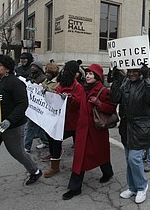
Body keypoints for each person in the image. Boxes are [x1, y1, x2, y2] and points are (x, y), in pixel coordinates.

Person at [0, 55, 42, 202]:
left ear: (7, 68)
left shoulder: (14, 83)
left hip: (12, 126)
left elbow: (22, 104)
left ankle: (35, 171)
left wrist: (9, 120)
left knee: (18, 153)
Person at [62, 64, 116, 200]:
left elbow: (111, 109)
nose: (87, 76)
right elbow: (78, 106)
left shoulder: (103, 91)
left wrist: (99, 103)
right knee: (79, 158)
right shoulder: (82, 88)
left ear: (97, 76)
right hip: (82, 130)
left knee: (100, 153)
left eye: (91, 74)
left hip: (97, 130)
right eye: (86, 73)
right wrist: (70, 99)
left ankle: (107, 172)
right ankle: (75, 188)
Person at [110, 65, 150, 204]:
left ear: (141, 72)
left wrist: (148, 79)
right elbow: (115, 98)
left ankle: (142, 186)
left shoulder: (146, 83)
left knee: (134, 159)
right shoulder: (125, 82)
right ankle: (132, 187)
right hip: (126, 127)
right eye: (129, 71)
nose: (131, 74)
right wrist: (116, 80)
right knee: (128, 159)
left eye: (135, 71)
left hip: (140, 127)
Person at [44, 60, 84, 178]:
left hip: (74, 122)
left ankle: (79, 166)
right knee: (54, 140)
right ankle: (54, 166)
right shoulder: (61, 84)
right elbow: (56, 96)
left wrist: (70, 98)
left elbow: (80, 103)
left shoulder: (78, 87)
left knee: (79, 145)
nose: (64, 72)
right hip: (60, 121)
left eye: (67, 69)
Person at [24, 61, 48, 152]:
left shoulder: (42, 78)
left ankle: (26, 146)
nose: (32, 68)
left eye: (35, 66)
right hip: (31, 104)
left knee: (30, 126)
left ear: (39, 68)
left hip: (38, 106)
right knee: (38, 126)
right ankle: (46, 142)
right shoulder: (30, 76)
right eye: (32, 66)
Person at [40, 62, 60, 162]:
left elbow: (57, 95)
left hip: (54, 112)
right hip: (46, 110)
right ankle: (52, 151)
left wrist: (49, 91)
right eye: (46, 72)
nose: (46, 74)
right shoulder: (45, 81)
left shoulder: (57, 83)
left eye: (48, 72)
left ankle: (55, 153)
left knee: (53, 135)